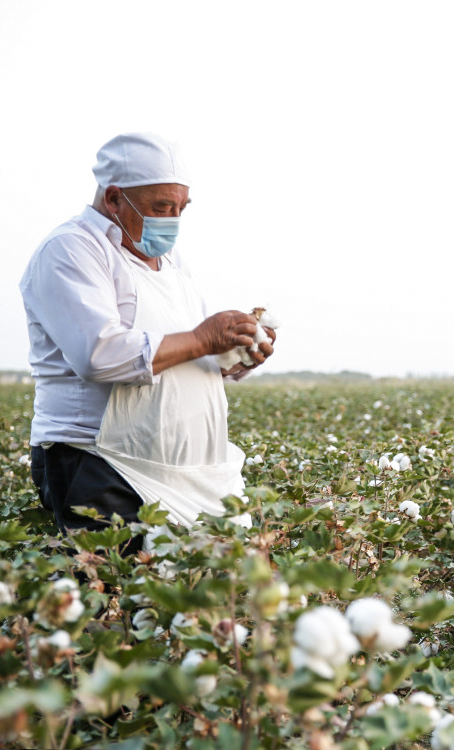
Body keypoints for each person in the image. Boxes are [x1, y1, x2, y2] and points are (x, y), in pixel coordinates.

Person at [20, 132, 274, 543]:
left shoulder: (171, 264)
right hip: (100, 465)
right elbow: (99, 355)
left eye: (180, 208)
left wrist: (234, 355)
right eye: (161, 207)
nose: (172, 220)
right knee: (120, 598)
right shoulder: (71, 250)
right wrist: (206, 339)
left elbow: (185, 350)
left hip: (185, 473)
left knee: (198, 596)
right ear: (115, 198)